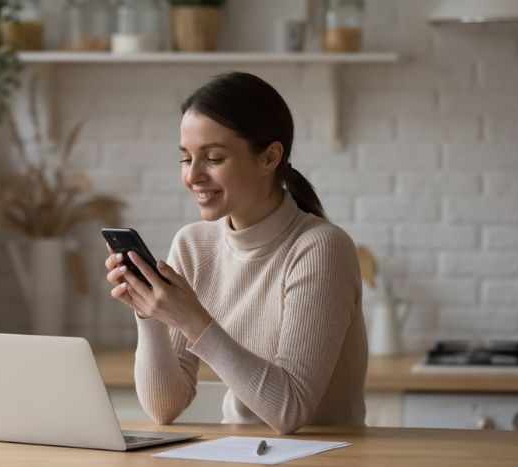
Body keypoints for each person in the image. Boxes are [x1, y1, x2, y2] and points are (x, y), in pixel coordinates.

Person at [104, 71, 367, 434]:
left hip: (324, 456)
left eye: (212, 158)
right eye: (186, 158)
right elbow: (164, 408)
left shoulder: (320, 248)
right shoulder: (193, 244)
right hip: (240, 453)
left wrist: (191, 319)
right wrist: (148, 313)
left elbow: (290, 410)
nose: (193, 176)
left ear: (269, 158)